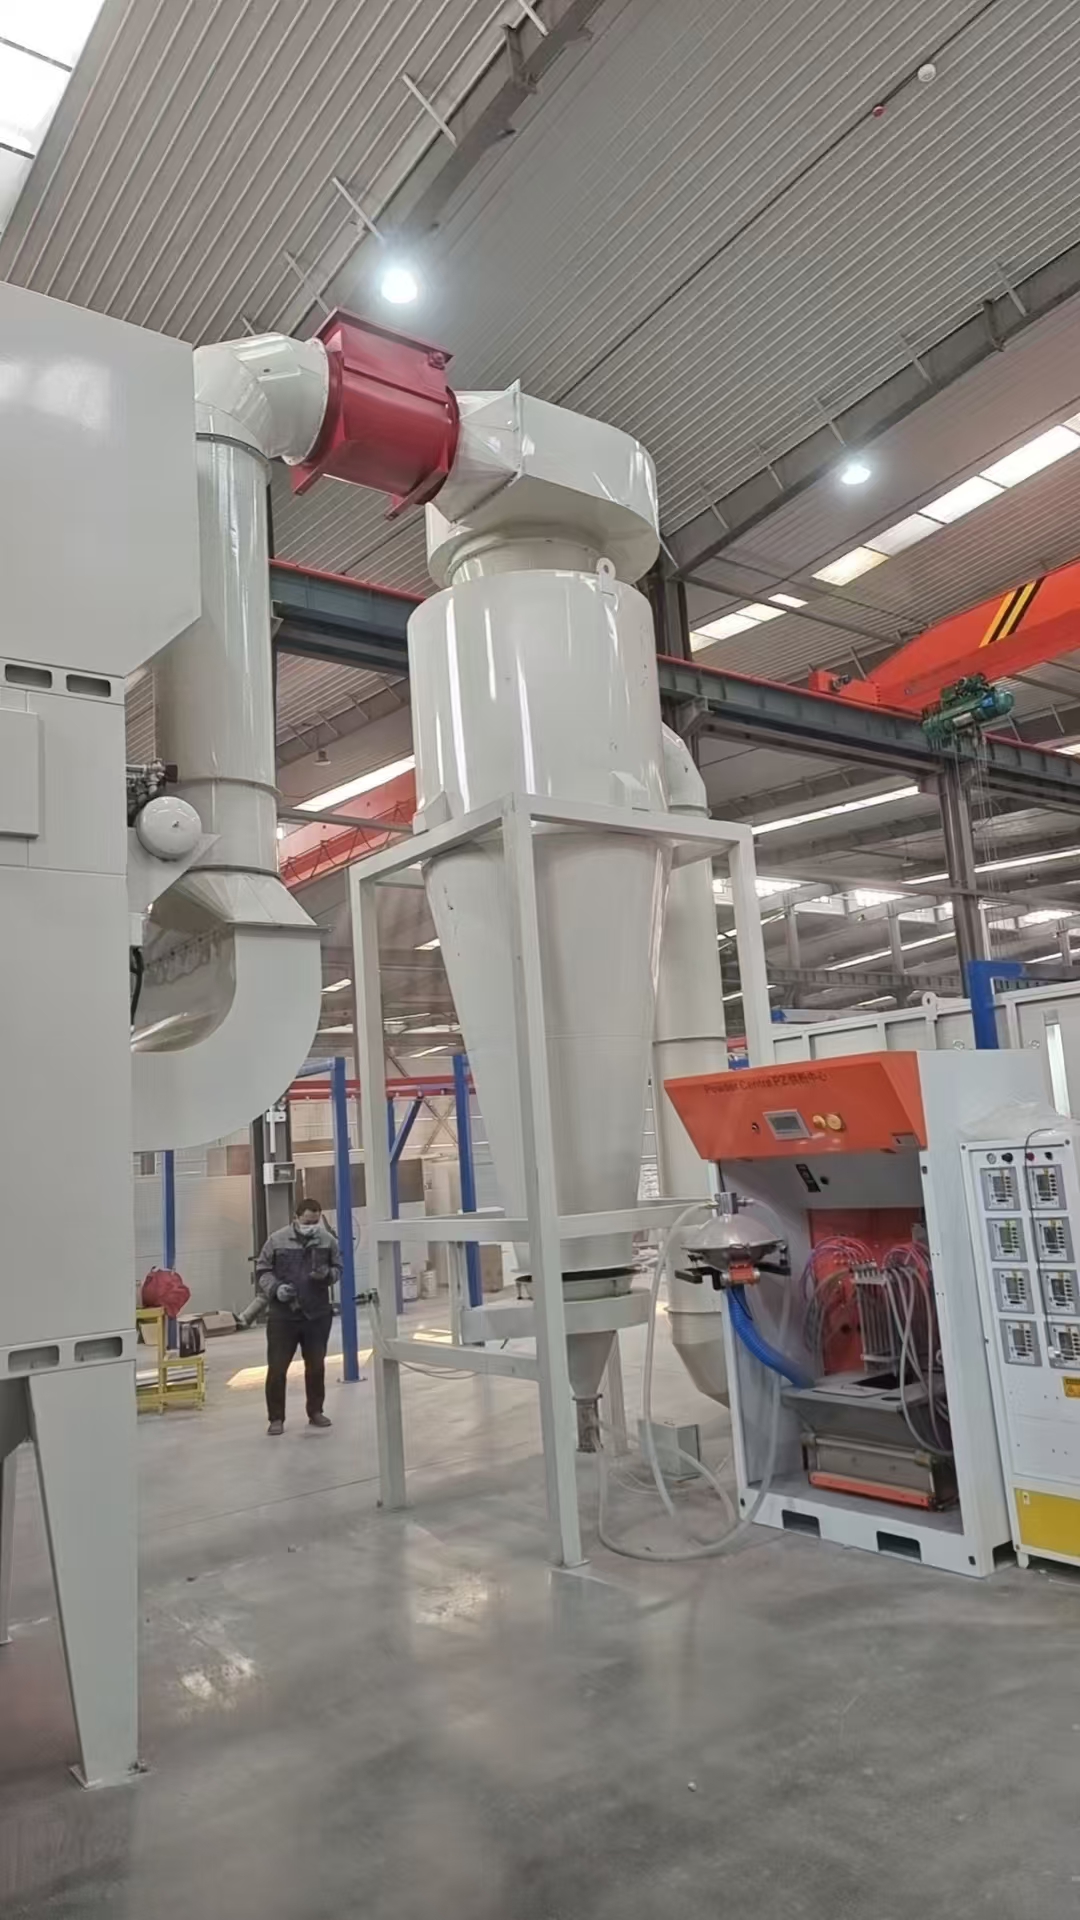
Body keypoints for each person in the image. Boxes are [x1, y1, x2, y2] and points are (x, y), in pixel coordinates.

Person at [255, 1198, 342, 1436]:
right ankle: (276, 1418)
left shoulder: (327, 1240)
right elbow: (262, 1270)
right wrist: (276, 1289)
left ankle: (315, 1412)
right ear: (296, 1218)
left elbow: (339, 1268)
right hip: (283, 1316)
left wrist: (327, 1275)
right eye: (307, 1222)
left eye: (315, 1222)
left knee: (316, 1367)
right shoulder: (276, 1240)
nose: (311, 1226)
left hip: (317, 1314)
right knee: (277, 1368)